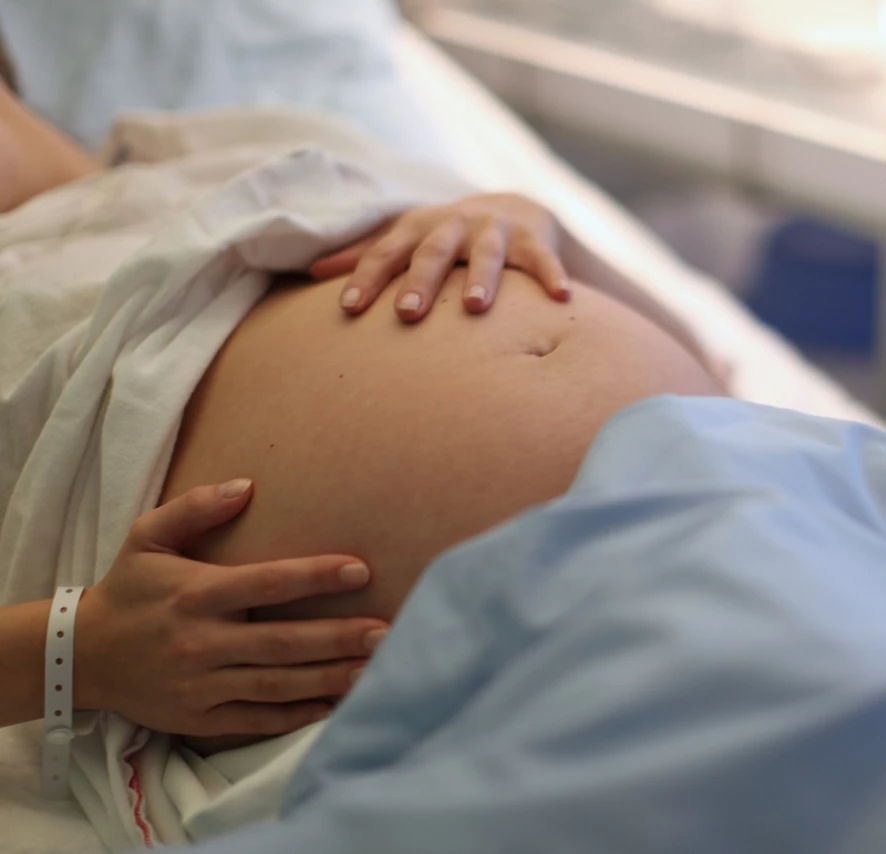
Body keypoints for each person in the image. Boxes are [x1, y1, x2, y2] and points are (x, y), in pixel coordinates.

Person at [0, 75, 720, 741]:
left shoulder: (242, 148)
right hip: (519, 687)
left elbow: (717, 374)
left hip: (738, 497)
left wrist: (543, 232)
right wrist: (75, 650)